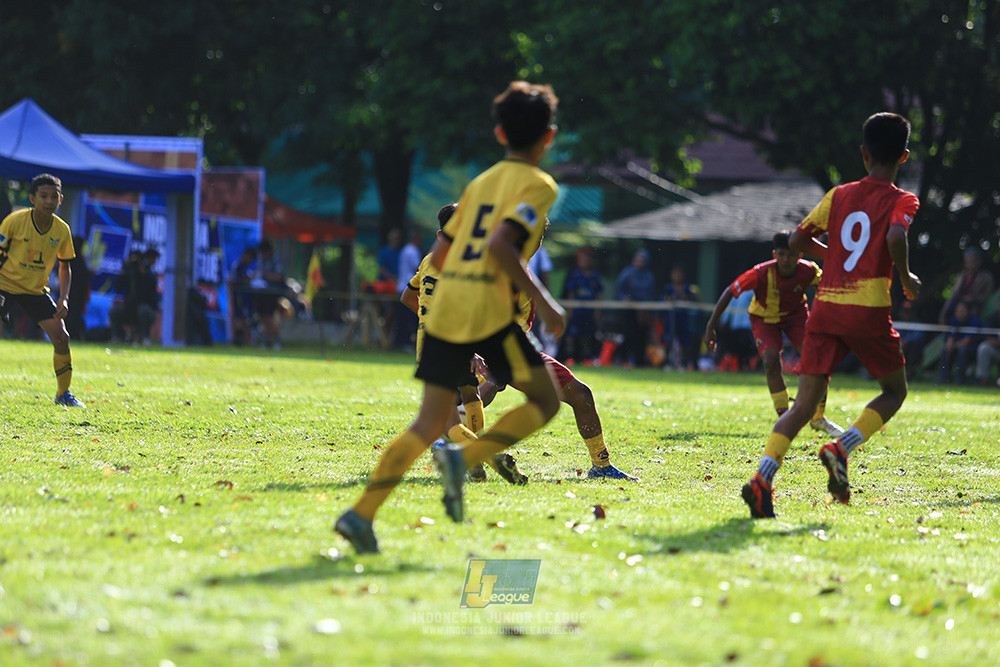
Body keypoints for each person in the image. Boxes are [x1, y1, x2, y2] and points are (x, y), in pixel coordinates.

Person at [335, 81, 564, 554]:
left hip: (443, 310)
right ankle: (466, 459)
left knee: (428, 424)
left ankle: (360, 516)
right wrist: (547, 302)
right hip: (484, 309)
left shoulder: (480, 184)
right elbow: (502, 246)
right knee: (544, 400)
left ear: (500, 134)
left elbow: (440, 255)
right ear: (550, 136)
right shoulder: (539, 186)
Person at [740, 112, 921, 519]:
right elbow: (895, 235)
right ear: (904, 157)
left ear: (863, 154)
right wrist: (906, 275)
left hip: (825, 307)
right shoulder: (902, 199)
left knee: (802, 407)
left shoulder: (838, 195)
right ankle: (841, 448)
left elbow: (797, 238)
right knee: (894, 391)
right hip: (867, 309)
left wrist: (834, 257)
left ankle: (762, 480)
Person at [400, 202, 526, 485]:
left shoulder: (429, 260)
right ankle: (479, 459)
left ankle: (484, 457)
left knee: (448, 422)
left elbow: (407, 298)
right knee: (471, 396)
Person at [704, 231, 843, 437]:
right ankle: (785, 417)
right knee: (770, 359)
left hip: (796, 317)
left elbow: (828, 289)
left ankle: (818, 418)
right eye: (781, 254)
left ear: (800, 255)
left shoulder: (810, 271)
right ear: (774, 254)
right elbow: (729, 292)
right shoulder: (760, 273)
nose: (786, 259)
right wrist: (710, 326)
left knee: (819, 361)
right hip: (764, 319)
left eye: (791, 254)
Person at [0, 174, 84, 407]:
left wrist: (64, 298)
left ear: (61, 199)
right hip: (4, 284)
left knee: (61, 337)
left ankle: (63, 395)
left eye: (53, 196)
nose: (49, 201)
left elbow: (65, 266)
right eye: (43, 196)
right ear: (32, 198)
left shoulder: (62, 230)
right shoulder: (14, 221)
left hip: (35, 290)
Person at [558, 247, 604, 363]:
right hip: (576, 312)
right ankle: (571, 357)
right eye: (582, 259)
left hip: (588, 312)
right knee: (572, 335)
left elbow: (598, 295)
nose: (584, 262)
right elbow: (571, 294)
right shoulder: (575, 275)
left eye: (587, 260)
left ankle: (585, 358)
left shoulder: (595, 276)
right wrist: (570, 311)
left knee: (586, 336)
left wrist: (597, 311)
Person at [614, 248, 657, 367]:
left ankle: (640, 362)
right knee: (629, 334)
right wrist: (625, 299)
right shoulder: (627, 273)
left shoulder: (649, 276)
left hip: (644, 312)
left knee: (642, 337)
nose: (639, 262)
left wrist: (648, 310)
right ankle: (621, 359)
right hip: (629, 311)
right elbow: (619, 291)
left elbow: (651, 294)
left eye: (642, 259)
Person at [110, 248, 160, 345]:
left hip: (145, 309)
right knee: (115, 312)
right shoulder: (129, 273)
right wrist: (124, 270)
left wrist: (142, 271)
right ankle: (119, 337)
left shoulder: (148, 272)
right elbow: (118, 287)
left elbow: (152, 286)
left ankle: (145, 337)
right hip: (129, 309)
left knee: (143, 310)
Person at [938, 247, 994, 324]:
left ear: (979, 261)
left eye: (972, 260)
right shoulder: (961, 276)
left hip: (974, 307)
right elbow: (953, 295)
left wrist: (972, 299)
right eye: (967, 261)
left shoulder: (985, 277)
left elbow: (987, 295)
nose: (969, 263)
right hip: (958, 307)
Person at [661, 265, 700, 371]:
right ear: (671, 275)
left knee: (684, 342)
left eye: (679, 274)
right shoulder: (668, 288)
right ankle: (668, 362)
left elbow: (694, 302)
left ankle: (683, 363)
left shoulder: (688, 288)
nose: (677, 276)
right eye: (675, 273)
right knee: (669, 340)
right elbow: (662, 302)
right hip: (670, 319)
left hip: (684, 319)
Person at [936, 299, 981, 385]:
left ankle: (960, 378)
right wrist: (949, 344)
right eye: (957, 311)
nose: (959, 313)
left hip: (971, 347)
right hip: (957, 346)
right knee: (945, 349)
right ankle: (945, 377)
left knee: (962, 350)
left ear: (967, 312)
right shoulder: (954, 320)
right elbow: (951, 336)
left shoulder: (974, 320)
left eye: (962, 311)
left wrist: (954, 345)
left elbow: (968, 340)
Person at [252, 239, 285, 350]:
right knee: (263, 318)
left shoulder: (275, 261)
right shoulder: (261, 261)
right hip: (261, 292)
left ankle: (276, 341)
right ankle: (266, 341)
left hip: (272, 293)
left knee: (271, 317)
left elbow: (279, 276)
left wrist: (265, 276)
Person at [393, 228, 423, 350]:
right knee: (409, 319)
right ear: (416, 239)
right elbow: (418, 268)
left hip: (401, 286)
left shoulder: (405, 250)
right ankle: (404, 343)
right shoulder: (413, 251)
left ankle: (399, 342)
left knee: (402, 318)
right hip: (410, 287)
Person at [527, 243, 558, 355]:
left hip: (533, 299)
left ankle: (536, 354)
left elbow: (545, 277)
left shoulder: (540, 252)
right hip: (513, 297)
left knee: (533, 327)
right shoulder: (512, 245)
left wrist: (544, 300)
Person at [229, 246, 257, 346]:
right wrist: (245, 280)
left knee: (245, 319)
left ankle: (247, 341)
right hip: (239, 297)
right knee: (240, 319)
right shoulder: (237, 266)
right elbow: (232, 282)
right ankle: (240, 340)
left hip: (246, 298)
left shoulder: (246, 267)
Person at [65, 236, 90, 341]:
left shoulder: (70, 260)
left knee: (71, 313)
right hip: (76, 294)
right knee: (74, 313)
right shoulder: (79, 261)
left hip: (70, 292)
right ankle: (73, 334)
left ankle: (70, 333)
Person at [895, 299, 926, 382]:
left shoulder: (917, 325)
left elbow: (919, 337)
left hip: (912, 352)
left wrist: (906, 341)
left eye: (908, 312)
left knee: (913, 348)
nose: (906, 314)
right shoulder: (897, 325)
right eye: (904, 311)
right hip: (898, 349)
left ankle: (909, 373)